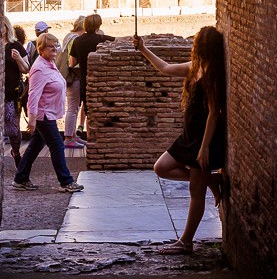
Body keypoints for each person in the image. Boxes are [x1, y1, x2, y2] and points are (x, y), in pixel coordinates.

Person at [132, 26, 226, 255]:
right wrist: (143, 49)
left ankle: (186, 242)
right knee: (161, 167)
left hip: (204, 141)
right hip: (188, 137)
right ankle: (212, 182)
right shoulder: (195, 69)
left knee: (196, 193)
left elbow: (214, 113)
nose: (196, 47)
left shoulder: (213, 74)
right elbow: (165, 68)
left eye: (198, 43)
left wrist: (204, 148)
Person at [13, 32, 84, 193]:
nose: (54, 49)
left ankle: (20, 178)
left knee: (35, 146)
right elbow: (33, 95)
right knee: (57, 145)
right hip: (43, 114)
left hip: (48, 113)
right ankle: (66, 181)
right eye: (50, 47)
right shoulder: (39, 68)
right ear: (41, 49)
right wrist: (31, 119)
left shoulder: (50, 64)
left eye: (56, 45)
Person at [69, 13, 115, 122]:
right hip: (102, 79)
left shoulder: (77, 41)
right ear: (98, 25)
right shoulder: (103, 39)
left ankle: (90, 137)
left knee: (88, 112)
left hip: (85, 79)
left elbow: (73, 62)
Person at [4, 16, 29, 168]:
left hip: (11, 94)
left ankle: (16, 152)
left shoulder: (15, 45)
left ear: (7, 27)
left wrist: (19, 58)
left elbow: (26, 69)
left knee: (13, 129)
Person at [60, 16, 87, 148]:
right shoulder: (75, 39)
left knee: (74, 107)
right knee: (72, 107)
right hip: (74, 76)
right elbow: (73, 61)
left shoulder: (68, 37)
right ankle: (68, 138)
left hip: (69, 76)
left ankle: (73, 136)